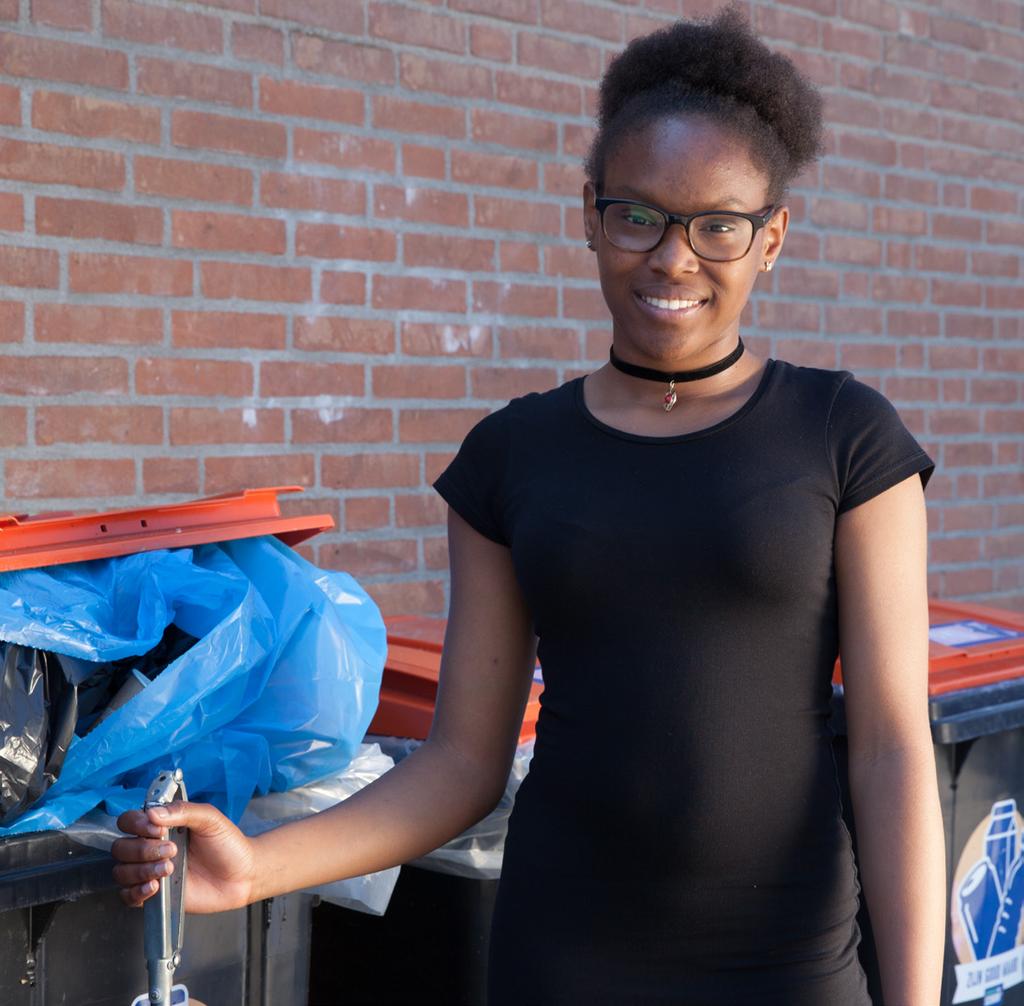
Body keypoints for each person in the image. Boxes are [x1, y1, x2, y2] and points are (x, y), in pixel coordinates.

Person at [112, 7, 946, 1003]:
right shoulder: (513, 456)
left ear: (770, 238)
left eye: (717, 225)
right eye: (638, 214)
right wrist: (257, 865)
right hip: (565, 959)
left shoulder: (845, 435)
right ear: (590, 213)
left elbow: (894, 746)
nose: (673, 258)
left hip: (789, 965)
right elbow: (464, 760)